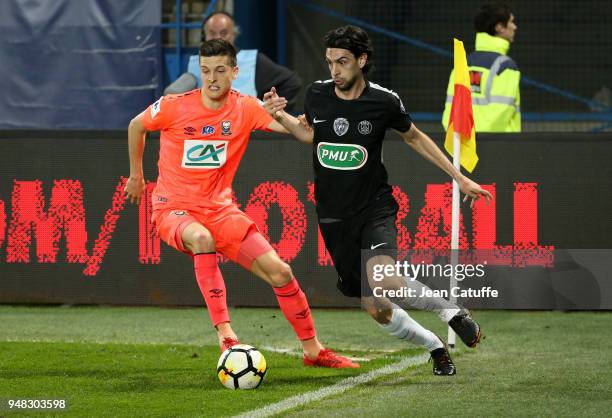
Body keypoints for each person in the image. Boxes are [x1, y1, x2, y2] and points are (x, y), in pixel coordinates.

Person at [263, 25, 492, 376]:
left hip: (374, 208)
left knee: (383, 277)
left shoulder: (384, 101)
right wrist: (279, 116)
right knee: (376, 307)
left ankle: (452, 312)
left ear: (362, 60)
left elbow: (414, 138)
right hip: (332, 216)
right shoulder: (317, 94)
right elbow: (310, 136)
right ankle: (435, 346)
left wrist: (458, 177)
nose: (335, 70)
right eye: (329, 62)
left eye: (342, 62)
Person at [125, 39, 358, 369]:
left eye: (220, 70)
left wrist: (287, 115)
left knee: (280, 272)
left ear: (235, 72)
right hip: (173, 209)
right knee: (202, 239)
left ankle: (314, 351)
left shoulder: (245, 107)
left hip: (220, 211)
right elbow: (137, 125)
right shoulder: (175, 106)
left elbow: (304, 136)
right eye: (205, 71)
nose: (212, 78)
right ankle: (226, 335)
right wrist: (137, 176)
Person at [164, 11, 302, 111]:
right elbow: (174, 96)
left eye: (224, 33)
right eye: (212, 33)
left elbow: (292, 83)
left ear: (234, 34)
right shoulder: (194, 64)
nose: (218, 38)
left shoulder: (253, 61)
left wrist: (268, 111)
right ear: (203, 36)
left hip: (246, 134)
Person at [442, 3, 520, 132]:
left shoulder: (463, 64)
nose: (515, 27)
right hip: (498, 146)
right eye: (511, 22)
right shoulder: (506, 66)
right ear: (500, 27)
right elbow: (500, 112)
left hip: (463, 144)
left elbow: (450, 110)